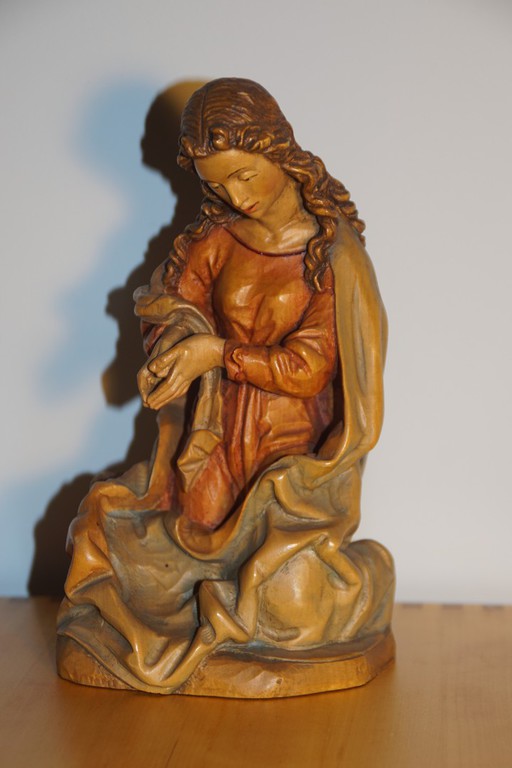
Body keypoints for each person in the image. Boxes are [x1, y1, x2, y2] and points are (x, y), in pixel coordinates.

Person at [57, 79, 395, 696]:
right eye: (217, 184)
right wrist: (171, 353)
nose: (235, 196)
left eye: (243, 175)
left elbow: (309, 368)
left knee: (284, 595)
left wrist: (214, 352)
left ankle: (364, 577)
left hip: (292, 460)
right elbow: (171, 303)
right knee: (120, 538)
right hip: (215, 438)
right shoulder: (217, 238)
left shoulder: (330, 255)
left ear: (277, 151)